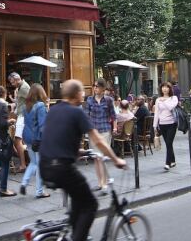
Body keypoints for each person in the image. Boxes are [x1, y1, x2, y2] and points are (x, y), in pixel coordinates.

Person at [39, 80, 126, 241]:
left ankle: (68, 232)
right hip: (62, 169)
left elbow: (55, 138)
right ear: (77, 94)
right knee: (90, 204)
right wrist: (116, 159)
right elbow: (98, 140)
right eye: (82, 92)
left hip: (45, 166)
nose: (85, 94)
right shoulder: (77, 112)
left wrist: (80, 151)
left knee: (78, 200)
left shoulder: (53, 110)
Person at [20, 83, 49, 198]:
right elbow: (43, 125)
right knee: (40, 164)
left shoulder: (26, 106)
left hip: (28, 137)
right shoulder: (40, 106)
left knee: (33, 163)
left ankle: (24, 183)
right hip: (38, 139)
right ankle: (39, 191)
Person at [153, 82, 179, 170]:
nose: (164, 89)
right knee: (169, 143)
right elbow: (156, 113)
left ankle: (167, 163)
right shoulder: (158, 99)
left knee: (168, 142)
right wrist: (154, 126)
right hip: (162, 124)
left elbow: (170, 107)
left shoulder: (174, 98)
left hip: (172, 123)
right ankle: (173, 160)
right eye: (163, 87)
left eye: (167, 87)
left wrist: (164, 101)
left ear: (170, 89)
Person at [85, 78, 116, 150]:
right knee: (95, 155)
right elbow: (86, 115)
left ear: (103, 88)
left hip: (105, 130)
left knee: (103, 154)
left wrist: (114, 128)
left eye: (97, 86)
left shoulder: (109, 100)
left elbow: (113, 115)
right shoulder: (89, 99)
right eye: (94, 86)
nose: (95, 88)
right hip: (93, 131)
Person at [8, 72, 30, 172]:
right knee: (23, 141)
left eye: (12, 82)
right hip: (22, 115)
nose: (12, 84)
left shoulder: (24, 87)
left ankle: (23, 164)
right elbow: (21, 102)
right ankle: (26, 162)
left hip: (23, 116)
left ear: (17, 79)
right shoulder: (21, 87)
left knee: (17, 140)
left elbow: (31, 100)